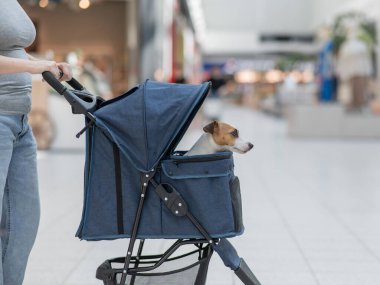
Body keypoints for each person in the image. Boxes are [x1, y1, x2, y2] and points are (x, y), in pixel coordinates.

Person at [0, 1, 72, 284]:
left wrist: (49, 65)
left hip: (20, 123)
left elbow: (12, 49)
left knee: (24, 221)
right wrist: (36, 66)